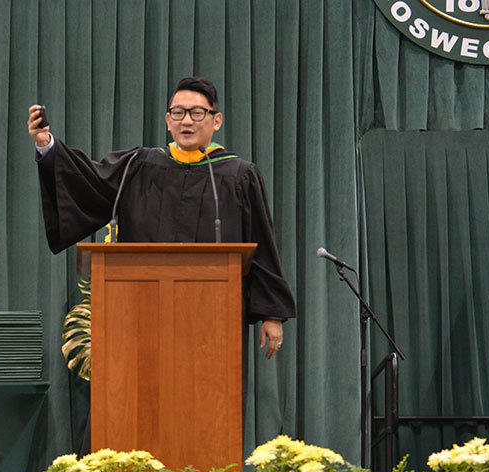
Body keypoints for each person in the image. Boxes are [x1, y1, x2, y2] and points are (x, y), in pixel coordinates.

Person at [27, 76, 296, 358]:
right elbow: (88, 182)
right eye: (178, 113)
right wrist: (48, 147)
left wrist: (272, 314)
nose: (187, 121)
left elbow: (261, 242)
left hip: (213, 319)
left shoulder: (239, 175)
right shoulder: (139, 166)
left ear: (216, 121)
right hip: (142, 314)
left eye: (197, 113)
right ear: (168, 120)